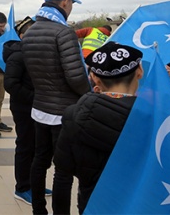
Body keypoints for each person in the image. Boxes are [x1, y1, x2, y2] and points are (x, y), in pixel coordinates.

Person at [21, 0, 91, 214]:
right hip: (63, 111)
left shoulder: (30, 32)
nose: (71, 8)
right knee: (63, 169)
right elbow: (75, 76)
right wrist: (89, 94)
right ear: (64, 2)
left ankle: (38, 209)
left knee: (40, 159)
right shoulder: (63, 32)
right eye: (71, 3)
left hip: (40, 106)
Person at [54, 42, 143, 214]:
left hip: (92, 204)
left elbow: (62, 176)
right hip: (142, 204)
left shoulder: (73, 115)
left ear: (94, 77)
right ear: (139, 72)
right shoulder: (155, 119)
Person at [2, 16, 41, 205]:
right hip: (24, 108)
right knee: (26, 146)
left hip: (38, 107)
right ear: (23, 35)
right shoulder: (17, 55)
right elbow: (10, 84)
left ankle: (34, 184)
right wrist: (35, 98)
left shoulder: (35, 53)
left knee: (36, 147)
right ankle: (22, 187)